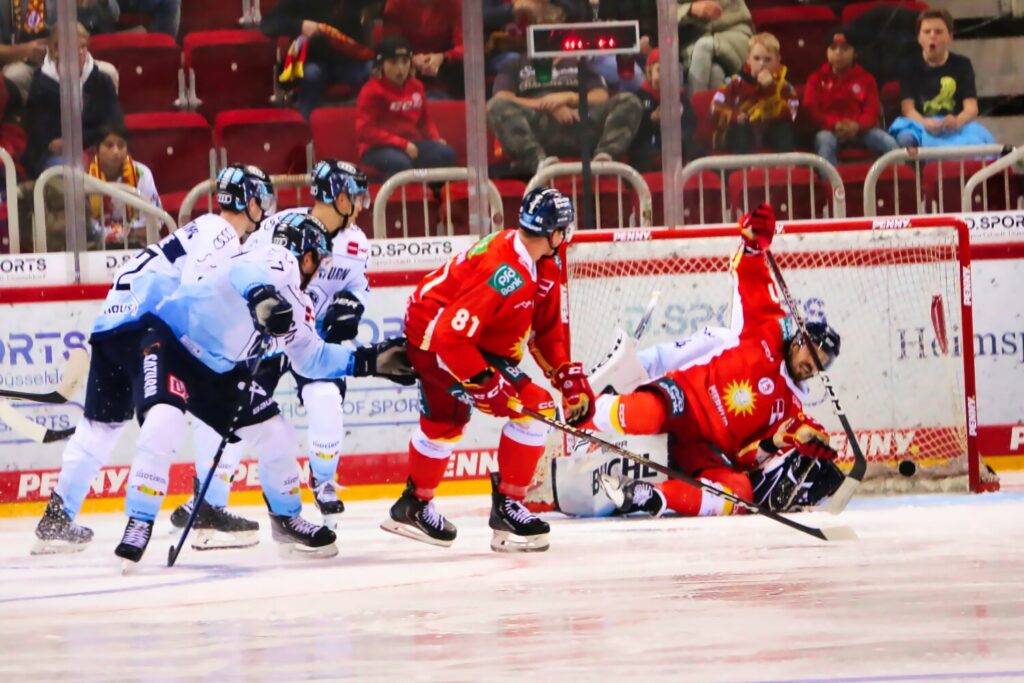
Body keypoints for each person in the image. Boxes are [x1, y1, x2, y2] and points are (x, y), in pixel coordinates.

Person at [113, 214, 414, 565]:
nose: (319, 269)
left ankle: (286, 518)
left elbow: (311, 358)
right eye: (319, 258)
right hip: (170, 342)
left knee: (276, 434)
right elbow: (246, 274)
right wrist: (262, 297)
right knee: (164, 421)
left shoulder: (299, 303)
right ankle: (139, 520)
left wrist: (368, 361)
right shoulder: (277, 259)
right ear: (307, 256)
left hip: (218, 370)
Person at [31, 164, 276, 555]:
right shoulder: (222, 233)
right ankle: (178, 513)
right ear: (248, 201)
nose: (264, 209)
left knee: (101, 426)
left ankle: (57, 516)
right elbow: (197, 288)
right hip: (146, 328)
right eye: (262, 200)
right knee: (177, 412)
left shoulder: (202, 227)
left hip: (111, 323)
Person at [566, 203, 843, 519]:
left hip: (708, 451)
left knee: (741, 493)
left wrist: (784, 439)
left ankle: (647, 498)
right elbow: (750, 271)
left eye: (821, 363)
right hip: (686, 402)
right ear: (798, 338)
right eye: (812, 350)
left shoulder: (791, 409)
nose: (813, 363)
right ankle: (579, 413)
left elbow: (745, 458)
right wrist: (754, 243)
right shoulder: (764, 326)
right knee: (647, 413)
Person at [380, 187, 595, 553]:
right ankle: (508, 508)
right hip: (437, 339)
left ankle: (412, 505)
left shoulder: (542, 263)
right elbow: (450, 336)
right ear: (555, 233)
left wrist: (566, 377)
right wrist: (485, 382)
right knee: (532, 409)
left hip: (458, 337)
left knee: (447, 424)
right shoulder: (507, 272)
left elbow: (545, 333)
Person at [169, 159, 376, 533]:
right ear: (338, 195)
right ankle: (210, 499)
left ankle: (324, 480)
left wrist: (353, 304)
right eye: (355, 196)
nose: (361, 205)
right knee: (237, 417)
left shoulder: (359, 242)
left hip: (311, 338)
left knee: (325, 400)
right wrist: (262, 307)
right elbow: (245, 266)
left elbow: (359, 285)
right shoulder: (281, 226)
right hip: (267, 340)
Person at [486, 54, 642, 176]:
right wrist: (546, 105)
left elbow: (600, 95)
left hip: (580, 120)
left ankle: (605, 157)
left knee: (629, 100)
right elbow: (502, 97)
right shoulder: (515, 64)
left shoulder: (577, 62)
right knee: (495, 107)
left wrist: (569, 97)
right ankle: (538, 161)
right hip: (538, 126)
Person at [24, 21, 122, 177]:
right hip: (54, 158)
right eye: (74, 48)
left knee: (139, 170)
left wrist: (74, 141)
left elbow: (114, 125)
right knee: (69, 173)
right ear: (56, 50)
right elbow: (41, 136)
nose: (81, 53)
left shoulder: (101, 81)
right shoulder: (41, 85)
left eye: (83, 46)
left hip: (98, 150)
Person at [888, 9, 994, 149]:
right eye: (927, 32)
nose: (932, 36)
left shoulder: (962, 64)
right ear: (919, 38)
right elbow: (908, 109)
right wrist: (925, 123)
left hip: (956, 127)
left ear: (950, 37)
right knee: (906, 139)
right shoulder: (908, 65)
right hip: (920, 125)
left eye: (938, 32)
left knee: (980, 143)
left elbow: (971, 108)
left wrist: (956, 121)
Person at [356, 37, 456, 180]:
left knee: (446, 153)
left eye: (405, 62)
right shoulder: (371, 90)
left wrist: (435, 138)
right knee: (400, 163)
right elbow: (365, 131)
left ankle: (433, 198)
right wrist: (402, 144)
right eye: (393, 62)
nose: (400, 68)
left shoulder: (417, 86)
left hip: (411, 144)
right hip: (376, 148)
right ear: (381, 65)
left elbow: (424, 120)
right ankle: (388, 201)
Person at [261, 0, 374, 120]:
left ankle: (369, 127)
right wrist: (301, 25)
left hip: (350, 61)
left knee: (378, 70)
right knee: (311, 74)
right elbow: (268, 24)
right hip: (314, 62)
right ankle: (308, 127)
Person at [802, 30, 898, 167]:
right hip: (829, 130)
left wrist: (857, 126)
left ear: (855, 53)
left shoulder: (867, 79)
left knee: (888, 142)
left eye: (845, 48)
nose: (838, 53)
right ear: (826, 52)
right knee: (824, 141)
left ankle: (901, 182)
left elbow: (872, 111)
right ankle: (831, 186)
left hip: (861, 130)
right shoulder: (815, 79)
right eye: (833, 48)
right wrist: (834, 125)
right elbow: (811, 109)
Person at [711, 32, 797, 154]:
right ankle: (743, 170)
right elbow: (715, 107)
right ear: (748, 60)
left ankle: (787, 168)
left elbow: (791, 114)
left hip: (768, 131)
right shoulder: (734, 82)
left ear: (778, 61)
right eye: (756, 58)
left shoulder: (785, 86)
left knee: (783, 129)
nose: (761, 64)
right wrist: (734, 116)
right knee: (740, 128)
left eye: (768, 59)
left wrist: (770, 88)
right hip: (740, 133)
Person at [85, 122, 162, 248]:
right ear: (96, 150)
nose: (116, 151)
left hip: (137, 243)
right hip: (95, 245)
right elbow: (84, 228)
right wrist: (115, 234)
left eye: (121, 145)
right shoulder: (85, 175)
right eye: (109, 145)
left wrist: (125, 234)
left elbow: (154, 218)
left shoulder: (141, 173)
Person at [629, 46, 699, 172]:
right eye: (659, 70)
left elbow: (691, 122)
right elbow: (634, 133)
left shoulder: (680, 96)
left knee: (696, 150)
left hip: (676, 142)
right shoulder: (638, 96)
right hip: (648, 144)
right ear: (649, 73)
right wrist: (651, 120)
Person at [381, 0, 463, 98]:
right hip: (404, 70)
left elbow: (467, 47)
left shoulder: (455, 3)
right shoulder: (396, 3)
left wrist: (442, 57)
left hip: (445, 74)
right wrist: (410, 58)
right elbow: (389, 45)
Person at [678, 0, 754, 92]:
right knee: (716, 72)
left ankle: (693, 104)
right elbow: (662, 12)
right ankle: (714, 105)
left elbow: (740, 14)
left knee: (703, 47)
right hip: (693, 40)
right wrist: (690, 9)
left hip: (734, 32)